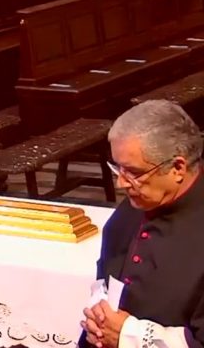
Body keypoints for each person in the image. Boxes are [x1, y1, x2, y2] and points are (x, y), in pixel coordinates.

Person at [79, 100, 204, 348]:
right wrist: (99, 319)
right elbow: (106, 283)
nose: (121, 184)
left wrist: (128, 336)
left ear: (178, 168)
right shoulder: (132, 209)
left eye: (134, 172)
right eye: (117, 168)